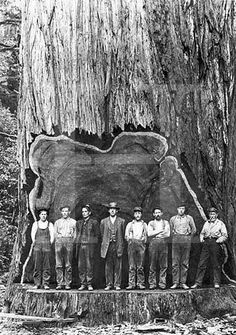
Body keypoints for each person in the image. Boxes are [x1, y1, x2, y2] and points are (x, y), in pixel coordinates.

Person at [191, 207, 227, 289]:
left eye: (214, 214)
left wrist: (218, 241)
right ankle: (198, 282)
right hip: (206, 243)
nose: (212, 216)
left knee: (216, 263)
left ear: (216, 215)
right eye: (211, 214)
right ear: (209, 215)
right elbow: (202, 233)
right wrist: (201, 238)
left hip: (215, 243)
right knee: (202, 263)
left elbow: (225, 235)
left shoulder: (220, 223)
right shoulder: (206, 223)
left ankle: (216, 282)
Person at [170, 203, 196, 289]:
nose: (181, 210)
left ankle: (183, 282)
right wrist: (174, 236)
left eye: (183, 208)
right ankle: (175, 282)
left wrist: (189, 238)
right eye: (179, 208)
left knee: (185, 262)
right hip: (176, 240)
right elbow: (170, 230)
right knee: (175, 262)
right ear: (177, 209)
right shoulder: (173, 219)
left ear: (184, 210)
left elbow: (194, 230)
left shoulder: (189, 218)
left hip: (186, 240)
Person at [100, 202, 125, 290]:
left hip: (117, 245)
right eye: (111, 209)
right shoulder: (103, 221)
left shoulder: (122, 221)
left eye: (114, 209)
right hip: (108, 245)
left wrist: (120, 244)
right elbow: (102, 234)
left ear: (117, 211)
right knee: (108, 266)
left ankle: (117, 284)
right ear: (109, 210)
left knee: (118, 265)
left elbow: (123, 234)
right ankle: (109, 284)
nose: (112, 210)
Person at [76, 204, 99, 291]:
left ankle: (89, 283)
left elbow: (97, 236)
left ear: (89, 213)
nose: (84, 213)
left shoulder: (94, 222)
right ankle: (82, 283)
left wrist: (92, 244)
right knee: (81, 265)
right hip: (81, 246)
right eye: (83, 212)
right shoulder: (79, 223)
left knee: (89, 265)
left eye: (86, 211)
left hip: (90, 246)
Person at [54, 205, 76, 290]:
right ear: (61, 212)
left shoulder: (73, 222)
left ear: (69, 212)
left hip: (69, 241)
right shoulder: (57, 222)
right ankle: (59, 283)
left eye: (66, 211)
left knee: (68, 264)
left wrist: (71, 241)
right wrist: (59, 240)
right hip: (59, 241)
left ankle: (67, 283)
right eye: (63, 211)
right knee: (58, 264)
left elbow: (75, 234)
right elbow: (55, 233)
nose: (64, 213)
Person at [125, 207, 148, 290]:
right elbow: (126, 235)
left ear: (141, 214)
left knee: (140, 266)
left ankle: (140, 283)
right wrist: (130, 238)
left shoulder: (144, 224)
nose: (137, 215)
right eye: (136, 213)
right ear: (134, 215)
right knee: (131, 265)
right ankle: (131, 283)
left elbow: (147, 235)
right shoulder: (130, 224)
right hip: (132, 244)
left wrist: (143, 240)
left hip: (141, 245)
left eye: (139, 213)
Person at [31, 209, 54, 289]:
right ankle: (37, 283)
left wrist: (48, 243)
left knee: (46, 265)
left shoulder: (50, 224)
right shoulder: (35, 224)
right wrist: (36, 243)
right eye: (42, 214)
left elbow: (52, 236)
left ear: (47, 215)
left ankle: (45, 283)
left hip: (47, 247)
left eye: (45, 214)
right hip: (37, 247)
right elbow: (33, 235)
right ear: (39, 215)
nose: (43, 216)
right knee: (37, 265)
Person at [147, 207, 170, 290]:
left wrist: (155, 233)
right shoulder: (151, 223)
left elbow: (167, 234)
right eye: (156, 212)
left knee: (163, 265)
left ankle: (162, 283)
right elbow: (149, 234)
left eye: (159, 212)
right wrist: (160, 231)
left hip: (163, 243)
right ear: (153, 214)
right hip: (153, 243)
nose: (157, 214)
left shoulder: (166, 222)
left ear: (161, 213)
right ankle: (152, 284)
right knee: (152, 264)